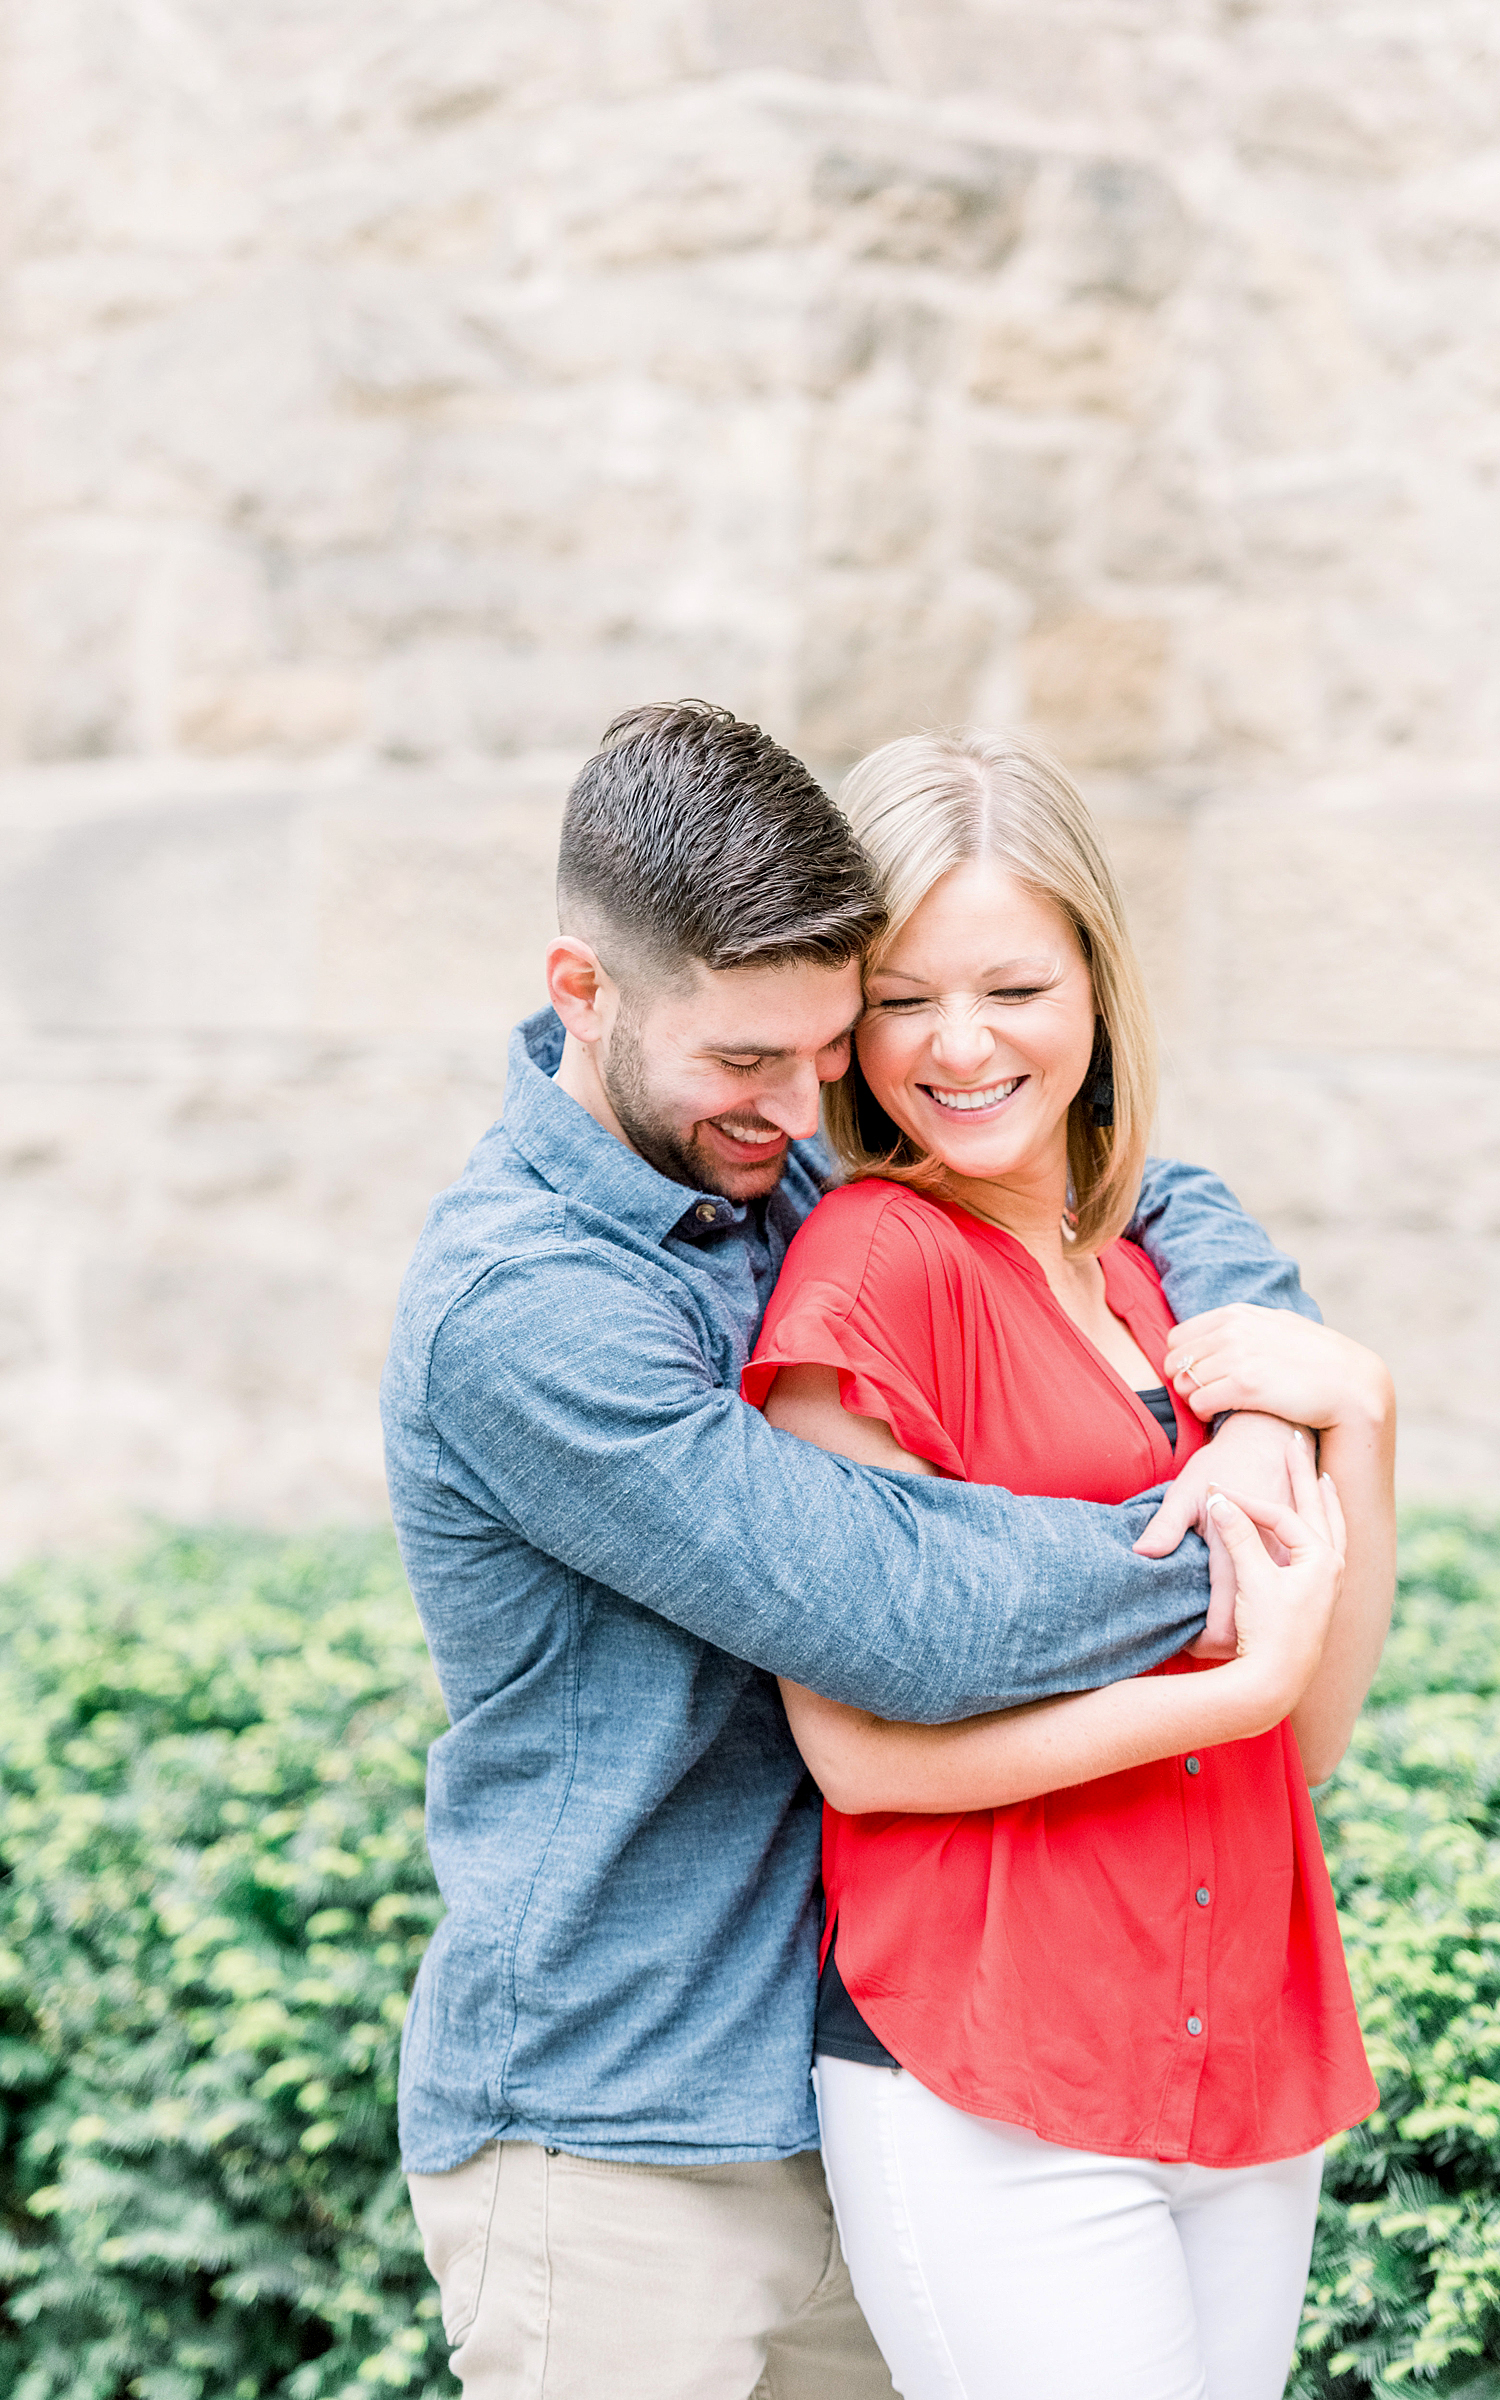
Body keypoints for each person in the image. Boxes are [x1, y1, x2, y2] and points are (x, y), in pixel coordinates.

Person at [382, 701, 1327, 2400]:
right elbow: (894, 1614)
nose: (810, 1098)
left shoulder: (766, 1139)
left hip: (873, 2079)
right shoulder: (525, 1311)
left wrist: (1261, 1403)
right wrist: (1243, 1556)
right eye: (750, 1059)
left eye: (831, 1044)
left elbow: (1136, 1195)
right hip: (625, 2133)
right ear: (580, 994)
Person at [745, 728, 1395, 2400]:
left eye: (1013, 988)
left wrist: (1362, 1429)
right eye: (901, 997)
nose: (958, 1046)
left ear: (1098, 987)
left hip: (1234, 2038)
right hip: (990, 2068)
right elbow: (858, 1753)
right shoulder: (871, 1264)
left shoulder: (1166, 1266)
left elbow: (1300, 1743)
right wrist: (1224, 1686)